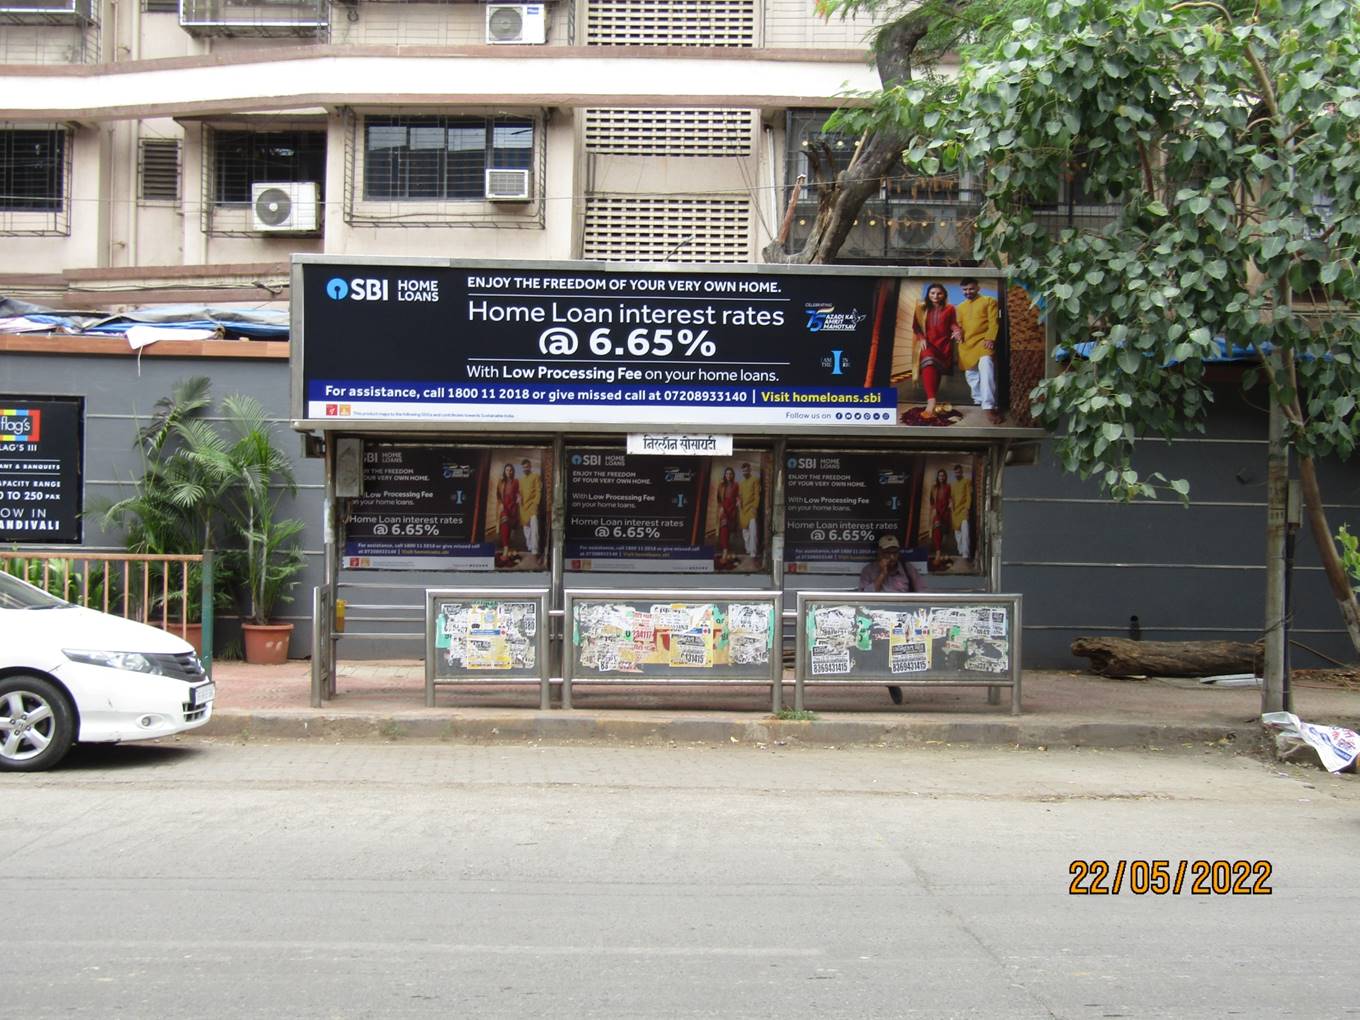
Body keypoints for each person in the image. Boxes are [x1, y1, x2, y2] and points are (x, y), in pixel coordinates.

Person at [857, 533, 924, 705]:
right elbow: (864, 597)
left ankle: (892, 678)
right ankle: (890, 680)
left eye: (894, 553)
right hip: (877, 621)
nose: (891, 557)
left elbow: (923, 594)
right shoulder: (869, 571)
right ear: (879, 553)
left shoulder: (907, 570)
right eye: (887, 553)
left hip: (903, 620)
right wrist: (882, 573)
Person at [956, 277, 1004, 425]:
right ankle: (978, 401)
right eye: (965, 289)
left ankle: (989, 406)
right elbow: (958, 325)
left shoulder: (989, 301)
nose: (968, 292)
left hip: (984, 341)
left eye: (971, 288)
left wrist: (990, 338)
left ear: (978, 288)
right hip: (966, 344)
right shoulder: (960, 307)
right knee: (972, 375)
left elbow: (994, 321)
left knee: (986, 369)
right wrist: (957, 332)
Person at [912, 282, 961, 419]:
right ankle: (931, 402)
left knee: (936, 371)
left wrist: (957, 331)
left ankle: (932, 399)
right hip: (927, 344)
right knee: (929, 363)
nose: (936, 296)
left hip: (943, 345)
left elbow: (953, 324)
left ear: (944, 295)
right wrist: (921, 338)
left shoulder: (950, 308)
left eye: (939, 293)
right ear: (928, 294)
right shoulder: (921, 308)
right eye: (932, 293)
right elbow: (916, 326)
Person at [715, 466, 740, 568]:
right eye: (727, 474)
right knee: (723, 529)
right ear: (725, 475)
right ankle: (725, 553)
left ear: (733, 475)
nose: (729, 475)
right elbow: (719, 498)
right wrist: (721, 508)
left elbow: (738, 496)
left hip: (732, 509)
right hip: (724, 508)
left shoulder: (736, 485)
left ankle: (728, 552)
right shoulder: (721, 485)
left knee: (729, 531)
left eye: (730, 474)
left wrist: (738, 501)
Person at [929, 467, 953, 570]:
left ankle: (943, 554)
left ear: (945, 477)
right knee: (937, 531)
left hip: (945, 513)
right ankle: (938, 555)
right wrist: (933, 510)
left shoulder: (948, 487)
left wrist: (951, 504)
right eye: (940, 476)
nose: (941, 477)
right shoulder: (934, 488)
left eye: (943, 476)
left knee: (944, 533)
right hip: (937, 513)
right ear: (937, 477)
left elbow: (950, 498)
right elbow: (931, 501)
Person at [495, 461, 520, 563]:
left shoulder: (516, 481)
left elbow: (518, 492)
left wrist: (519, 497)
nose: (509, 472)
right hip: (504, 506)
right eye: (507, 470)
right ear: (504, 471)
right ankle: (505, 549)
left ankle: (510, 548)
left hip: (513, 506)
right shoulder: (501, 482)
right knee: (504, 524)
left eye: (511, 470)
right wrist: (501, 503)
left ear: (513, 472)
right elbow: (498, 495)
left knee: (510, 527)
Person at [518, 457, 542, 559]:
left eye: (527, 467)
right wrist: (519, 498)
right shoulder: (521, 480)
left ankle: (535, 550)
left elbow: (538, 490)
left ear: (530, 466)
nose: (525, 469)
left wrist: (536, 504)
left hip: (532, 506)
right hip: (523, 507)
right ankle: (529, 546)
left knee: (534, 528)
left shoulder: (535, 476)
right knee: (526, 529)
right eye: (524, 467)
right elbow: (520, 492)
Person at [950, 462, 973, 561]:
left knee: (965, 532)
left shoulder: (967, 481)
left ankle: (965, 553)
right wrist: (951, 509)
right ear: (954, 473)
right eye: (956, 472)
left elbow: (969, 496)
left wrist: (967, 508)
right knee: (958, 534)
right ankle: (960, 550)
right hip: (955, 512)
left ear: (962, 472)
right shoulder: (953, 485)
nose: (957, 474)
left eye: (959, 472)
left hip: (963, 510)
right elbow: (952, 498)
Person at [737, 461, 761, 560]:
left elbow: (757, 495)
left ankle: (753, 551)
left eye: (747, 470)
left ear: (750, 470)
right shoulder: (741, 483)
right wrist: (739, 502)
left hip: (751, 509)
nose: (745, 472)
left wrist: (755, 507)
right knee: (745, 532)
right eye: (743, 471)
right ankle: (748, 549)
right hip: (743, 510)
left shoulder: (755, 479)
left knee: (753, 531)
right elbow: (740, 495)